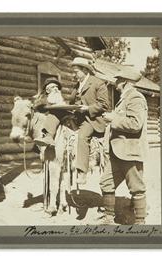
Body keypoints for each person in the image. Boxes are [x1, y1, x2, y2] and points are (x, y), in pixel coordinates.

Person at [34, 56, 109, 184]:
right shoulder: (77, 86)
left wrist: (87, 108)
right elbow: (72, 102)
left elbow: (104, 105)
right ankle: (48, 137)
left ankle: (82, 172)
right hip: (76, 115)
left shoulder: (98, 83)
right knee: (55, 111)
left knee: (82, 136)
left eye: (76, 71)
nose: (75, 74)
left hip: (90, 119)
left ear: (85, 70)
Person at [100, 71, 149, 225]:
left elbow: (136, 124)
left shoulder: (135, 97)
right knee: (106, 183)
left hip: (130, 151)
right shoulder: (124, 99)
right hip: (117, 151)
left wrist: (113, 119)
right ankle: (108, 218)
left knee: (136, 188)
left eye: (119, 80)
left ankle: (140, 223)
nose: (116, 83)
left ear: (126, 82)